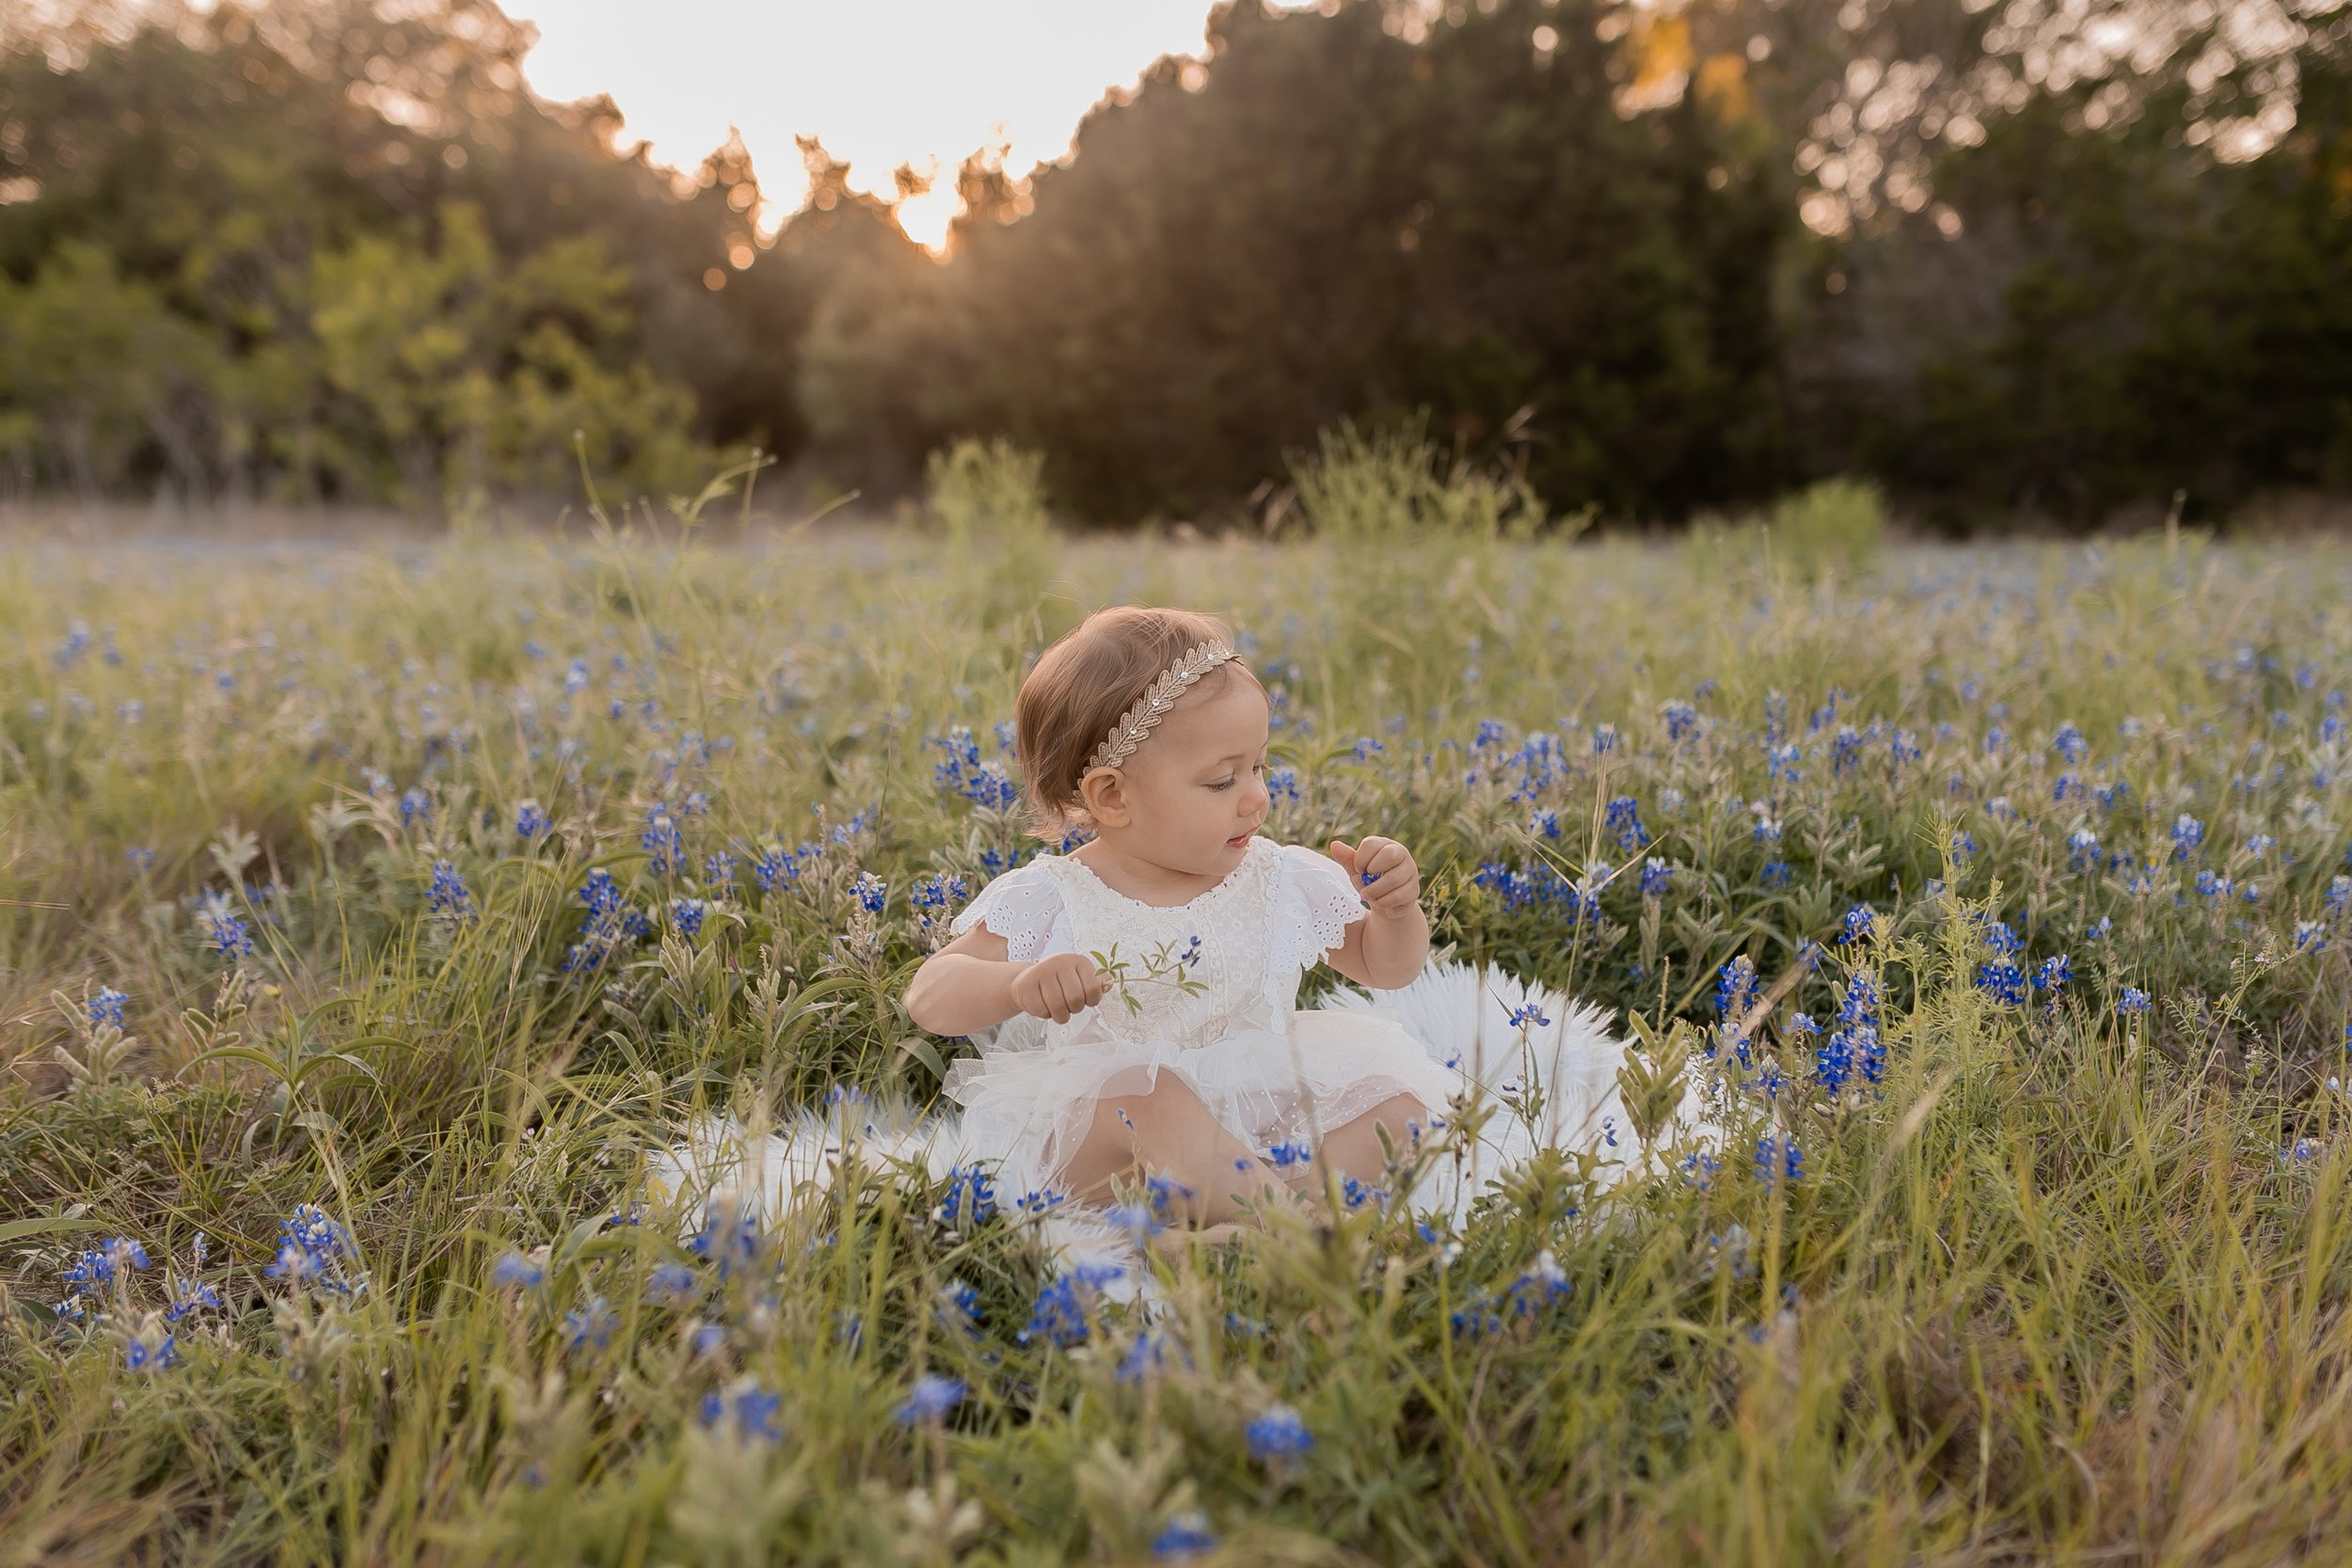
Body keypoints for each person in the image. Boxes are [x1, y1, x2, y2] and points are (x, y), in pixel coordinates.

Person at [902, 605, 1457, 1234]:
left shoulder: (1278, 878)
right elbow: (930, 995)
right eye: (1223, 780)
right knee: (1150, 1092)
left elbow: (1387, 967)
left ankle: (1233, 1235)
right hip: (1112, 1152)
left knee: (1403, 1110)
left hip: (1257, 1125)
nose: (1257, 796)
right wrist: (1016, 984)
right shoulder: (1057, 895)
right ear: (1113, 796)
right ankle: (1298, 1231)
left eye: (1260, 767)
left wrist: (1395, 910)